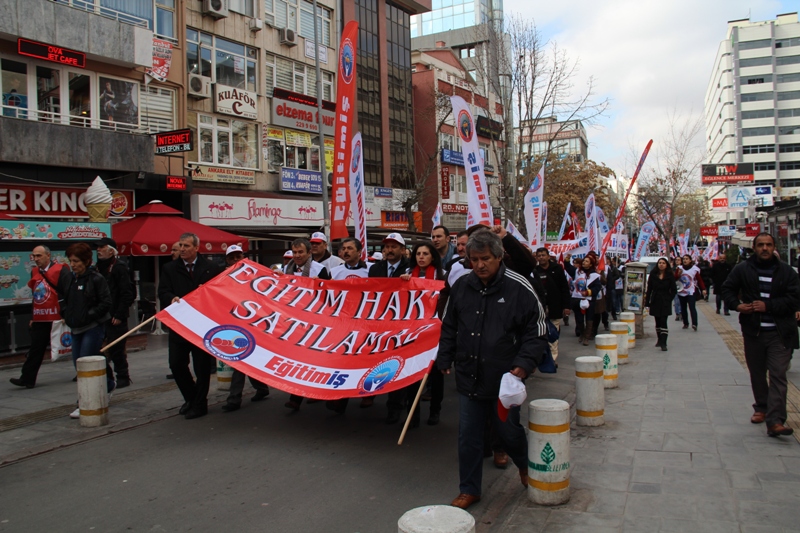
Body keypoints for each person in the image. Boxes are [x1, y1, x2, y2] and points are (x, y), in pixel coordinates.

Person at [437, 230, 548, 509]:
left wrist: (522, 367)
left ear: (499, 256)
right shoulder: (462, 285)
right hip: (469, 375)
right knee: (469, 437)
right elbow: (449, 324)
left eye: (485, 258)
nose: (479, 265)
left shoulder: (519, 287)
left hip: (504, 381)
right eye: (474, 259)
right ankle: (469, 488)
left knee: (508, 433)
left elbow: (537, 332)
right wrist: (445, 357)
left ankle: (524, 465)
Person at [722, 233, 800, 437]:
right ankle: (762, 407)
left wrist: (769, 306)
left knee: (778, 375)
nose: (764, 248)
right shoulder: (743, 269)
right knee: (757, 373)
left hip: (780, 333)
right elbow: (727, 289)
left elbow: (794, 300)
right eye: (760, 245)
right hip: (753, 331)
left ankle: (775, 421)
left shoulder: (787, 272)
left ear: (774, 247)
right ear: (754, 248)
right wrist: (738, 306)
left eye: (768, 245)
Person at [158, 233, 224, 419]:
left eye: (187, 245)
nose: (183, 249)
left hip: (201, 324)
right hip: (179, 324)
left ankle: (199, 404)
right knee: (176, 364)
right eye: (181, 245)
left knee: (202, 367)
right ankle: (191, 397)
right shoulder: (170, 269)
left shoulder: (210, 268)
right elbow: (162, 291)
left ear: (196, 248)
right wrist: (171, 298)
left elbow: (220, 294)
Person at [62, 243, 114, 419]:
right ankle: (108, 382)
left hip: (92, 326)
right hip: (75, 327)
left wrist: (88, 315)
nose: (73, 264)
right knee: (79, 362)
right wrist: (67, 314)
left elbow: (106, 302)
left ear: (86, 261)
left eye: (76, 261)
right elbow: (64, 299)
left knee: (86, 360)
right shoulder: (70, 278)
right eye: (71, 261)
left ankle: (83, 402)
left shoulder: (96, 279)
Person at [10, 246, 71, 389]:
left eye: (39, 256)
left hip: (57, 316)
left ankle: (83, 370)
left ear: (48, 255)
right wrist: (33, 315)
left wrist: (66, 313)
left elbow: (68, 292)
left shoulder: (61, 270)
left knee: (72, 345)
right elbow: (36, 295)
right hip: (41, 317)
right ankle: (27, 378)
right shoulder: (35, 272)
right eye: (34, 256)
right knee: (36, 348)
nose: (36, 259)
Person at [399, 242, 446, 426]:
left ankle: (435, 410)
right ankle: (413, 414)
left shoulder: (444, 277)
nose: (421, 257)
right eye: (418, 253)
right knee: (412, 375)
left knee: (435, 376)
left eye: (425, 253)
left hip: (436, 334)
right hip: (414, 334)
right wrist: (402, 283)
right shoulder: (408, 276)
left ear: (432, 256)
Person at [283, 238, 331, 411]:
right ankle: (296, 397)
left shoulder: (320, 270)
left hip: (316, 323)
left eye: (300, 252)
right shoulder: (285, 270)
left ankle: (317, 392)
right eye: (294, 252)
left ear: (309, 253)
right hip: (293, 322)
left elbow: (331, 297)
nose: (297, 256)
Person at [220, 245, 269, 412]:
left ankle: (236, 398)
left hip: (253, 323)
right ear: (227, 260)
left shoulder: (256, 275)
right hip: (232, 324)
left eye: (238, 256)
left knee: (243, 359)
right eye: (232, 257)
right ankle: (255, 390)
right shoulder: (220, 278)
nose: (236, 260)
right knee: (239, 360)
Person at [369, 233, 410, 419]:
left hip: (402, 325)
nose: (390, 250)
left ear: (403, 250)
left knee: (397, 363)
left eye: (394, 246)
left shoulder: (410, 268)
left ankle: (395, 406)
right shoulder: (375, 268)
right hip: (380, 324)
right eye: (387, 247)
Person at [95, 238, 135, 388]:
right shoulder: (97, 268)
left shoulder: (119, 268)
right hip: (100, 315)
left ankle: (123, 376)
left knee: (116, 347)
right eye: (97, 248)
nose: (98, 250)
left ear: (111, 250)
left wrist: (119, 314)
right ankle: (102, 374)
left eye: (102, 247)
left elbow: (127, 293)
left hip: (115, 316)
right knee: (97, 346)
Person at [533, 247, 570, 363]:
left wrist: (566, 306)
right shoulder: (535, 270)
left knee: (553, 334)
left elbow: (564, 288)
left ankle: (553, 359)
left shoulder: (557, 269)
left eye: (543, 255)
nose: (541, 258)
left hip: (555, 306)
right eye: (539, 256)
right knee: (540, 333)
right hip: (540, 308)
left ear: (548, 256)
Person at [645, 257, 677, 351]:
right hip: (655, 300)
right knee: (657, 322)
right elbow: (649, 289)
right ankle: (659, 339)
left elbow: (674, 290)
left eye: (663, 263)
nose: (661, 264)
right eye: (660, 263)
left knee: (663, 321)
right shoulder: (653, 274)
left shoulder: (669, 275)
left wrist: (669, 299)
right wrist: (647, 302)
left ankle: (664, 343)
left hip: (665, 301)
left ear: (666, 265)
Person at [571, 255, 603, 346]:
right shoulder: (578, 272)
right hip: (577, 298)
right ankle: (582, 333)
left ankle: (587, 337)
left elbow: (597, 287)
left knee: (589, 318)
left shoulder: (595, 275)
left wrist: (588, 292)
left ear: (590, 264)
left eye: (587, 261)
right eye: (584, 261)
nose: (584, 262)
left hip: (589, 300)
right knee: (579, 319)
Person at [675, 254, 706, 331]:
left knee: (692, 307)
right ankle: (685, 323)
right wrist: (678, 274)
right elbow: (674, 278)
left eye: (687, 259)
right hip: (681, 291)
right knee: (683, 308)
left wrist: (703, 289)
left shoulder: (695, 269)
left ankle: (694, 324)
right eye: (684, 259)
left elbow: (699, 280)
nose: (685, 260)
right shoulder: (679, 268)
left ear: (690, 260)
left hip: (691, 291)